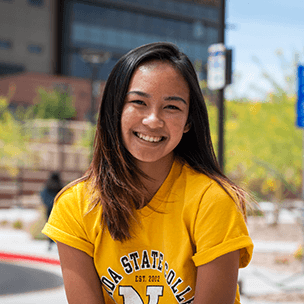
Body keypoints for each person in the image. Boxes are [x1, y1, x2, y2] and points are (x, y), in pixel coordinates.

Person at [42, 42, 254, 304]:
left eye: (172, 107)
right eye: (139, 102)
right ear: (115, 110)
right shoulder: (75, 205)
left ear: (188, 121)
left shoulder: (213, 201)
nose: (153, 120)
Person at [40, 171, 63, 251]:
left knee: (49, 225)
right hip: (57, 209)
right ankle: (56, 243)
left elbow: (43, 196)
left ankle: (50, 242)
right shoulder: (60, 185)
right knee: (58, 226)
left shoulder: (47, 185)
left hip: (50, 209)